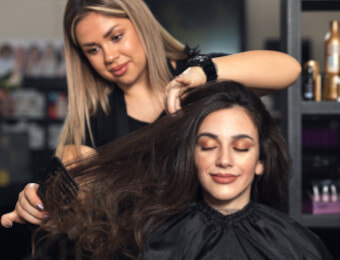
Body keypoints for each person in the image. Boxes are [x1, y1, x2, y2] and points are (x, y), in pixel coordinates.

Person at [1, 0, 301, 228]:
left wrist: (204, 73)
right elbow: (76, 194)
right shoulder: (97, 121)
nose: (110, 56)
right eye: (93, 49)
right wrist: (40, 200)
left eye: (116, 37)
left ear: (141, 25)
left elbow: (289, 69)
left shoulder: (198, 78)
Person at [34, 81, 333, 260]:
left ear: (260, 162)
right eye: (207, 146)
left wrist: (202, 69)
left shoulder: (296, 244)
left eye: (241, 147)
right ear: (190, 156)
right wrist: (40, 199)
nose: (224, 160)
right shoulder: (151, 236)